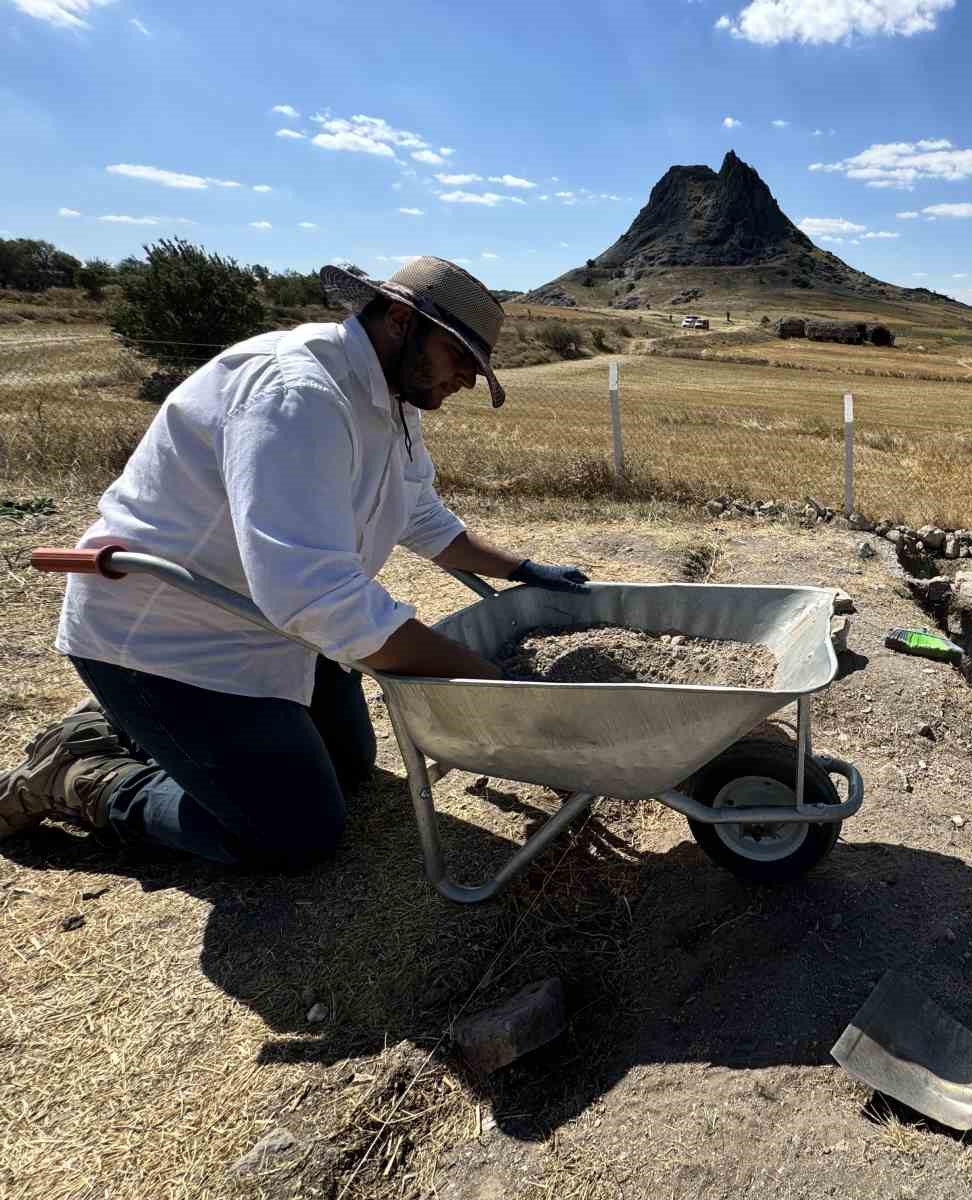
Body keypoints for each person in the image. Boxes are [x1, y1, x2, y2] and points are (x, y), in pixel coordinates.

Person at [0, 256, 588, 869]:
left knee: (351, 768)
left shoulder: (392, 401)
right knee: (294, 831)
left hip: (271, 625)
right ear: (398, 319)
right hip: (169, 642)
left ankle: (162, 732)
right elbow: (318, 595)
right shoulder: (295, 393)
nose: (467, 380)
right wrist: (498, 687)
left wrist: (522, 570)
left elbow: (419, 516)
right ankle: (83, 774)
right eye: (460, 357)